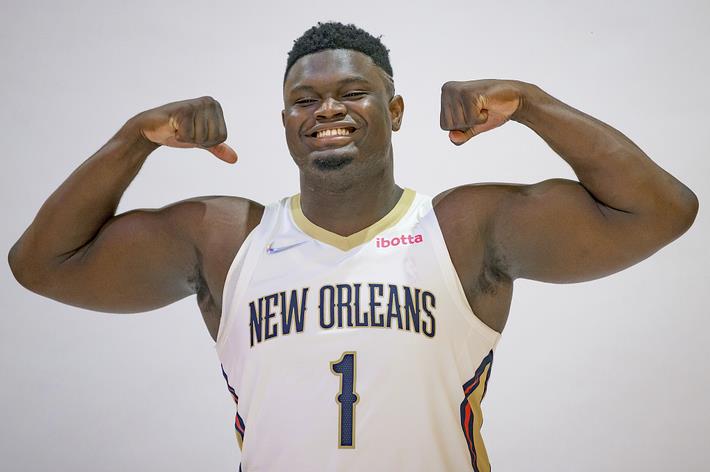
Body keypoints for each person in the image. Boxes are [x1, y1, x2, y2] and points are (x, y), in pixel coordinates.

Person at [7, 21, 698, 471]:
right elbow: (40, 264)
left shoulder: (462, 229)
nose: (327, 110)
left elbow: (661, 212)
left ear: (394, 112)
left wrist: (531, 102)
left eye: (353, 92)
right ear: (285, 121)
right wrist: (136, 138)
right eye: (305, 100)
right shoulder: (226, 238)